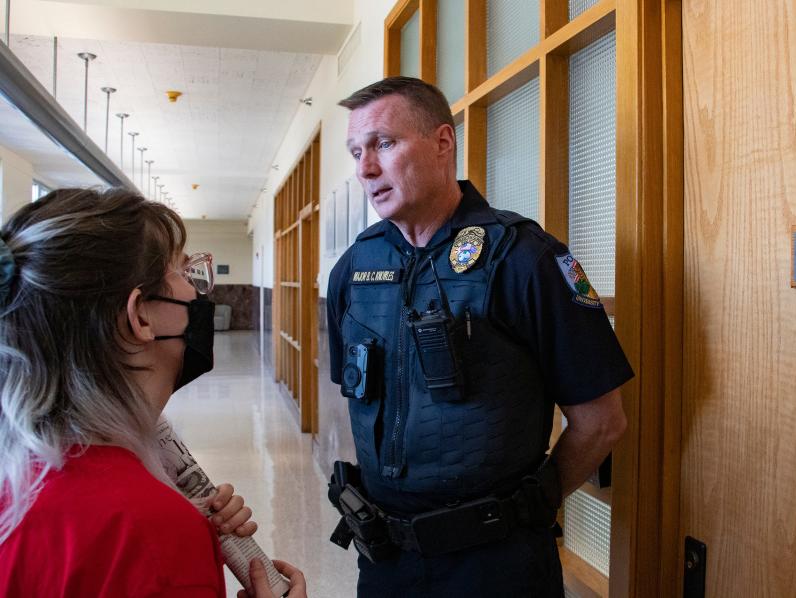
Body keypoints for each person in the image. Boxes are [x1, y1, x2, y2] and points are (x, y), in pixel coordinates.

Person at [326, 76, 633, 596]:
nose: (365, 168)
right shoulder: (355, 266)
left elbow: (601, 422)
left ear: (444, 142)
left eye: (384, 143)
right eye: (357, 151)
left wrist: (525, 508)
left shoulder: (524, 257)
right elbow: (353, 400)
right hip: (384, 560)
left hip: (496, 566)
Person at [0, 188, 306, 597]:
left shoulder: (20, 482)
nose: (199, 292)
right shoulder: (155, 536)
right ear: (140, 315)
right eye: (183, 272)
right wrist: (174, 531)